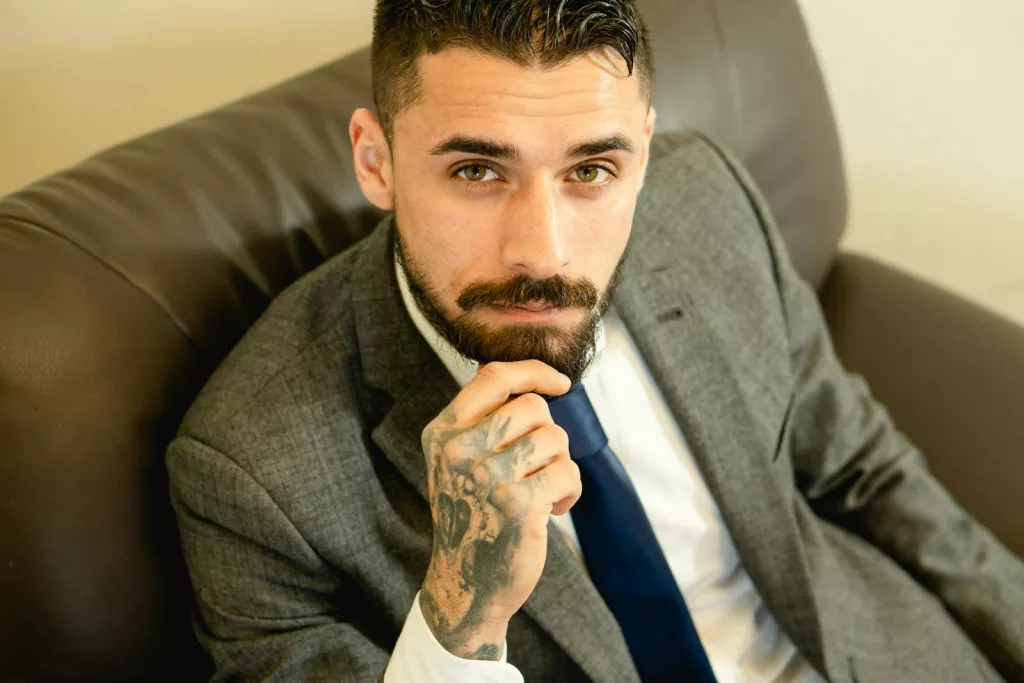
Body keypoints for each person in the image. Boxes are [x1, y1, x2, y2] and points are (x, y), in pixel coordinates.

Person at [166, 1, 1024, 681]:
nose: (544, 251)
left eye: (591, 171)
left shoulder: (710, 201)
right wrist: (462, 616)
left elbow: (864, 468)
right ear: (376, 159)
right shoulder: (250, 471)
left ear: (643, 155)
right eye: (476, 171)